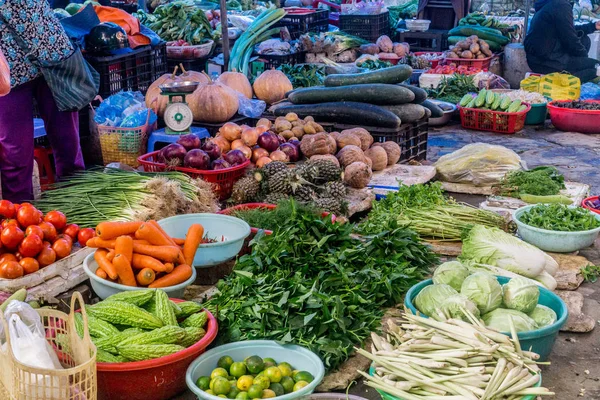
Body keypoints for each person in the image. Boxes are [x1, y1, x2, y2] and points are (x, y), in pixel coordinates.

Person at [0, 0, 85, 203]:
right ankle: (21, 222)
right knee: (14, 155)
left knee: (68, 143)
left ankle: (77, 209)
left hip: (51, 50)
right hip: (7, 67)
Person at [524, 0, 600, 83]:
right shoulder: (560, 5)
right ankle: (565, 83)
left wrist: (593, 26)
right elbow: (570, 40)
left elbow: (569, 30)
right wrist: (584, 59)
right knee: (596, 68)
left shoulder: (551, 3)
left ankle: (572, 72)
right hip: (547, 61)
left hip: (536, 58)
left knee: (585, 40)